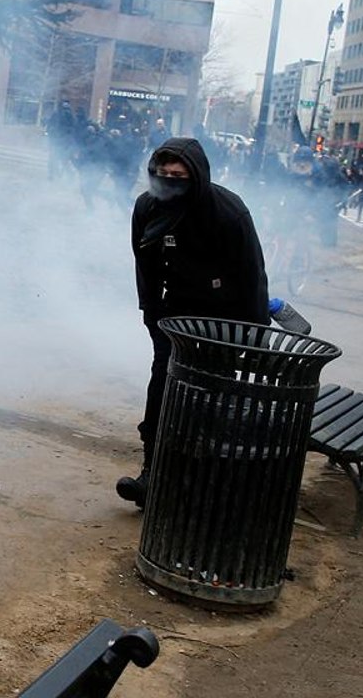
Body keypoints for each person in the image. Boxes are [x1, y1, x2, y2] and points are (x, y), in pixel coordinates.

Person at [116, 137, 270, 508]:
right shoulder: (147, 207)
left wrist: (253, 337)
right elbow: (145, 265)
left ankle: (203, 478)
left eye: (178, 175)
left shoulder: (227, 212)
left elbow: (252, 277)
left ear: (196, 176)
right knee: (163, 390)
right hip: (174, 315)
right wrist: (151, 314)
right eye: (162, 173)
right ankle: (152, 472)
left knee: (212, 397)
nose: (168, 180)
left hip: (225, 318)